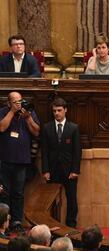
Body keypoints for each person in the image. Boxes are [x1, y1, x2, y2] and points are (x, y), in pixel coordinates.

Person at [0, 92, 40, 232]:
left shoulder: (28, 112)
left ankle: (16, 222)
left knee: (18, 193)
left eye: (20, 100)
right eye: (15, 101)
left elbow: (36, 132)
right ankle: (3, 222)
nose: (18, 103)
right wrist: (12, 112)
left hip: (22, 161)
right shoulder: (4, 112)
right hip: (5, 160)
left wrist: (28, 118)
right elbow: (2, 128)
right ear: (9, 103)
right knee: (4, 193)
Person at [41, 97, 81, 228]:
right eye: (54, 111)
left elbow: (77, 151)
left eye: (59, 110)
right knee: (51, 200)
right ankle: (52, 224)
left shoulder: (73, 128)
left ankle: (71, 224)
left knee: (72, 199)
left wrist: (75, 170)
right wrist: (45, 170)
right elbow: (44, 151)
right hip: (52, 170)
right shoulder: (47, 128)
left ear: (65, 110)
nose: (56, 113)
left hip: (69, 170)